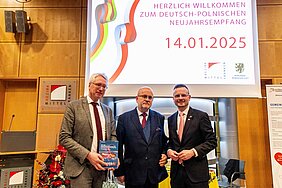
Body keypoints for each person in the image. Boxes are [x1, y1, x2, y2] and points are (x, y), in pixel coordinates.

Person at [59, 73, 117, 188]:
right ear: (89, 85)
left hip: (102, 168)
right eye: (98, 84)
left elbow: (113, 135)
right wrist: (88, 155)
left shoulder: (108, 111)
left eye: (104, 86)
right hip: (81, 167)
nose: (101, 89)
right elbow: (64, 137)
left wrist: (112, 156)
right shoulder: (74, 106)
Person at [114, 86, 168, 188]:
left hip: (153, 174)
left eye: (150, 97)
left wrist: (165, 154)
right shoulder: (124, 118)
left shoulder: (159, 118)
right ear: (137, 98)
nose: (147, 99)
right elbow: (118, 147)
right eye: (144, 96)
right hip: (132, 174)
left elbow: (163, 142)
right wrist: (119, 172)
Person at [167, 84, 217, 188]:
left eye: (183, 95)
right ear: (173, 99)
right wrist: (169, 151)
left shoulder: (201, 116)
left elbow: (212, 141)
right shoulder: (171, 119)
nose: (180, 98)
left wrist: (193, 152)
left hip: (197, 176)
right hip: (177, 176)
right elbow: (172, 143)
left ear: (189, 97)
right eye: (177, 96)